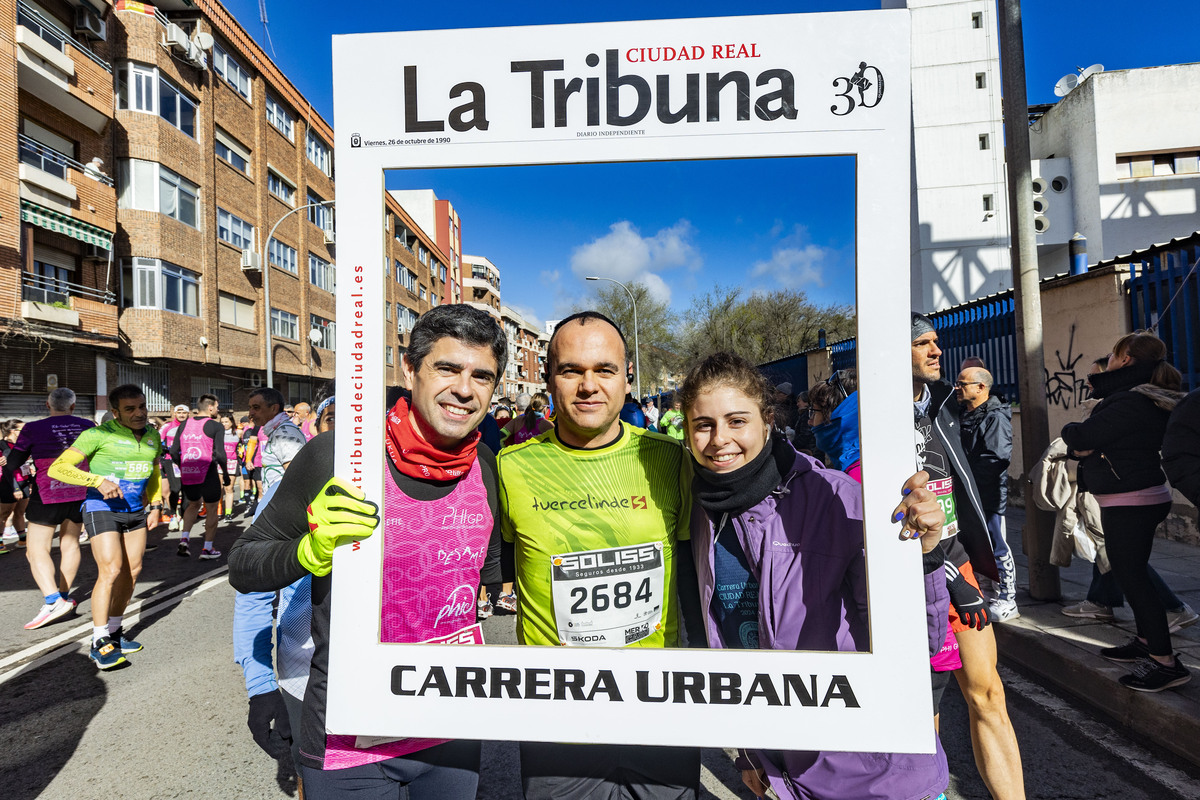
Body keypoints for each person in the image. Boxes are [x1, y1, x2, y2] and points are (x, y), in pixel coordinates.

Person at [230, 305, 506, 798]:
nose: (465, 389)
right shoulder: (340, 456)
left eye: (481, 376)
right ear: (409, 369)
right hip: (348, 740)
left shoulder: (484, 464)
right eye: (447, 368)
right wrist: (307, 552)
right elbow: (245, 564)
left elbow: (492, 580)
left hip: (451, 727)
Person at [679, 351, 951, 800]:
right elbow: (731, 642)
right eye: (703, 425)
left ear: (767, 421)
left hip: (877, 776)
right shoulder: (702, 513)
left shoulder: (837, 496)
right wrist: (751, 752)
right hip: (783, 774)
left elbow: (920, 639)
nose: (718, 440)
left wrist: (922, 555)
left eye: (736, 421)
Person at [498, 310, 702, 800]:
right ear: (549, 380)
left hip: (658, 701)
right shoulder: (511, 467)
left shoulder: (672, 458)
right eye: (571, 370)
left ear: (627, 376)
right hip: (558, 711)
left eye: (604, 369)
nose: (588, 385)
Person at [910, 313, 1026, 800]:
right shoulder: (864, 415)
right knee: (923, 711)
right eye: (922, 344)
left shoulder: (942, 404)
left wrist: (973, 565)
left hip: (957, 562)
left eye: (937, 342)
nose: (937, 351)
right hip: (908, 574)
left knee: (988, 692)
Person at [1061, 332, 1190, 692]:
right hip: (1132, 495)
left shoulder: (1131, 402)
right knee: (1130, 573)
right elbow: (1092, 443)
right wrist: (1083, 446)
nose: (1110, 360)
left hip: (1132, 499)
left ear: (1127, 359)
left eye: (1114, 355)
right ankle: (1147, 642)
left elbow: (1081, 436)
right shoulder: (1134, 399)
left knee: (1133, 578)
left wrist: (1075, 435)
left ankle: (1166, 663)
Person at [232, 393, 336, 789]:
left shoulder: (401, 489)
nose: (346, 437)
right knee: (317, 777)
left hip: (389, 670)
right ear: (315, 432)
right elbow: (252, 595)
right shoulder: (285, 496)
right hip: (304, 674)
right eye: (331, 423)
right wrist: (260, 688)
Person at [48, 384, 162, 670]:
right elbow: (58, 468)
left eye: (142, 406)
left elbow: (154, 470)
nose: (139, 413)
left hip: (136, 511)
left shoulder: (152, 435)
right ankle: (99, 641)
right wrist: (97, 481)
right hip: (102, 508)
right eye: (130, 409)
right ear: (115, 412)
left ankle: (114, 631)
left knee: (132, 571)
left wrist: (157, 504)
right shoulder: (97, 434)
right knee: (110, 570)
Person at [2, 388, 93, 629]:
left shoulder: (32, 428)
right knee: (70, 544)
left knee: (36, 550)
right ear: (73, 406)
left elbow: (13, 463)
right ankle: (63, 596)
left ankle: (53, 600)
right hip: (79, 491)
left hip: (47, 492)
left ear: (47, 405)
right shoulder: (88, 425)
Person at [955, 367, 1019, 621]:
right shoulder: (962, 414)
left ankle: (1007, 599)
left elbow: (997, 458)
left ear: (981, 387)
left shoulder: (995, 417)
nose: (957, 388)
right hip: (969, 494)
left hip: (989, 496)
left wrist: (968, 479)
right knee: (975, 545)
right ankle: (986, 594)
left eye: (963, 384)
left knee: (996, 545)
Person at [171, 394, 228, 560]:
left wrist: (183, 466)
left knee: (193, 505)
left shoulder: (184, 424)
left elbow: (174, 451)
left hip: (188, 472)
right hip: (207, 471)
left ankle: (184, 539)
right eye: (217, 407)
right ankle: (207, 549)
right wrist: (224, 474)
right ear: (210, 407)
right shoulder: (215, 426)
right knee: (211, 509)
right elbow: (220, 454)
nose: (218, 410)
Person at [248, 387, 306, 494]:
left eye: (256, 408)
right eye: (250, 407)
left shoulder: (284, 433)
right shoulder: (278, 431)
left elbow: (297, 478)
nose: (251, 413)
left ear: (274, 408)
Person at [807, 370, 860, 481]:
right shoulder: (855, 466)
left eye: (814, 412)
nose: (810, 422)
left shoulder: (855, 478)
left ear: (840, 418)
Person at [160, 403, 190, 530]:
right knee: (175, 489)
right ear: (174, 414)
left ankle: (183, 517)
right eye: (179, 412)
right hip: (171, 461)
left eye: (184, 413)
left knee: (187, 491)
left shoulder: (191, 427)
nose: (181, 415)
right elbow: (158, 442)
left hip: (188, 461)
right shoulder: (167, 427)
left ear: (188, 414)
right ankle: (173, 515)